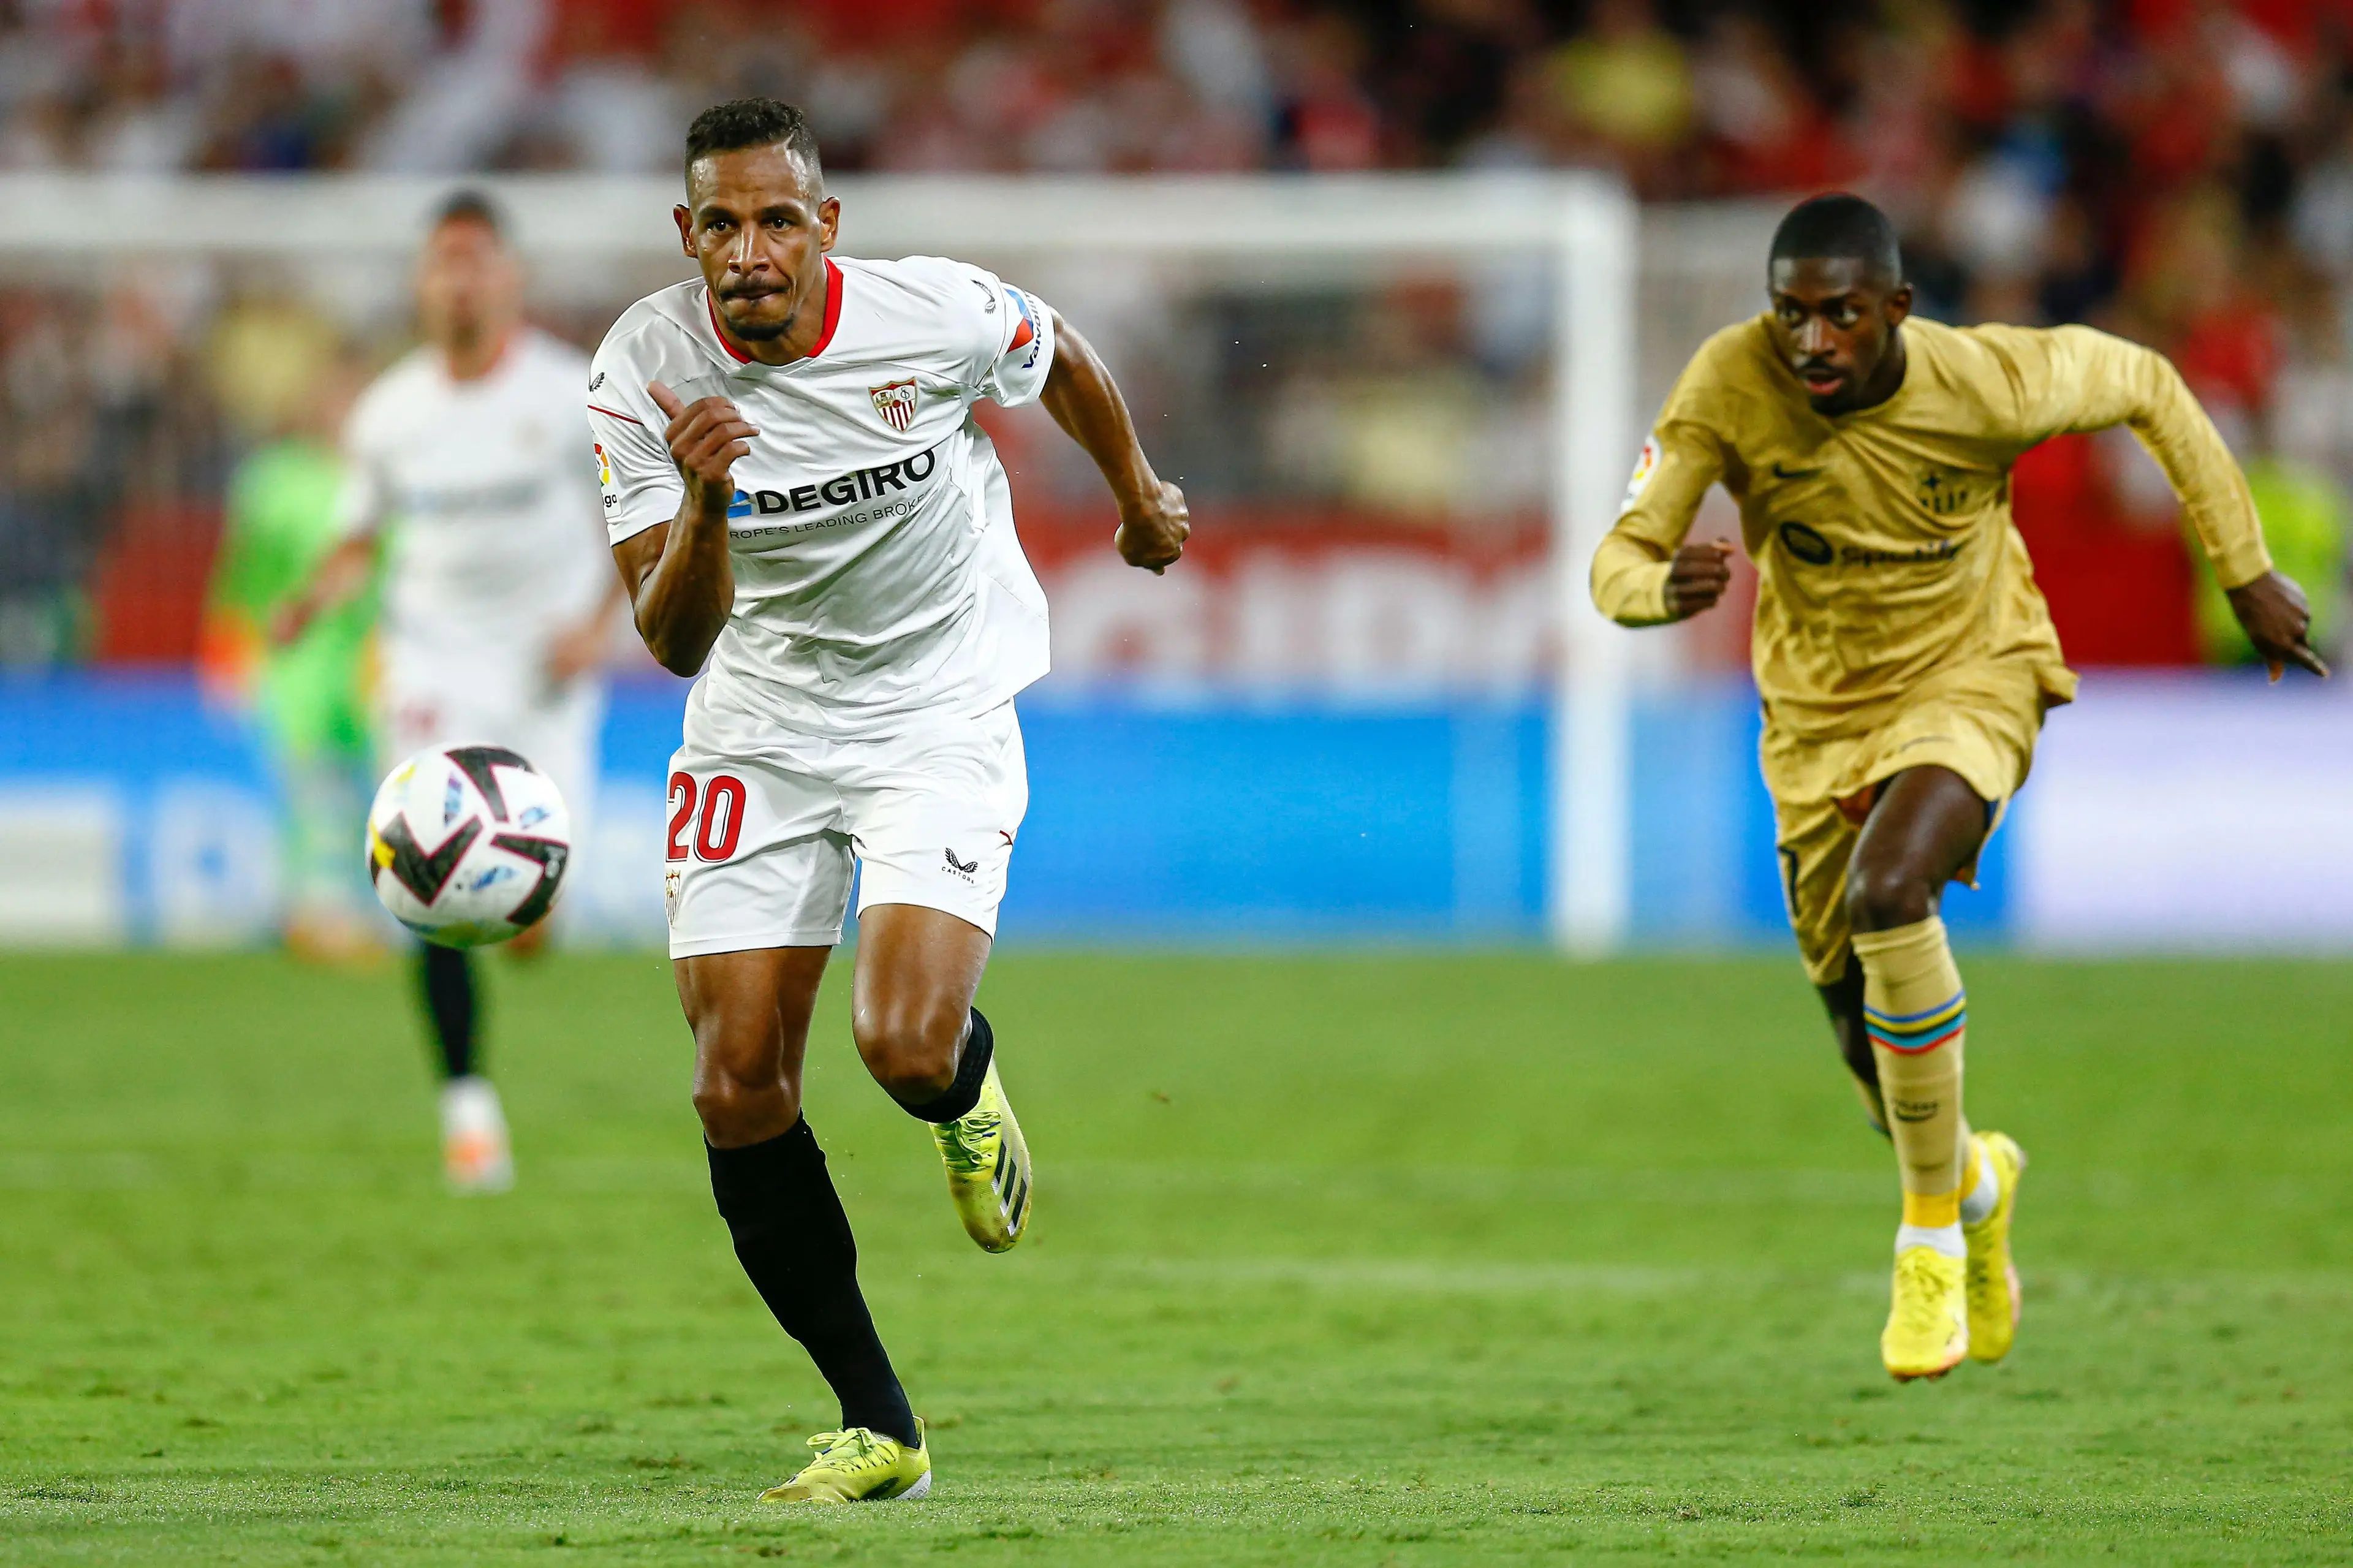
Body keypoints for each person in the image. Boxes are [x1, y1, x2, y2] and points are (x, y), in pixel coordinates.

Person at [1591, 193, 2323, 1383]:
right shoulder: (1728, 382)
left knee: (1894, 892)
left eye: (1839, 315)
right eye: (1792, 315)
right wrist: (1648, 590)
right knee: (1872, 1064)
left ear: (1896, 310)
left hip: (1972, 675)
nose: (1812, 341)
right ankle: (1977, 1185)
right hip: (1818, 721)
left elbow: (2148, 383)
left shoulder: (1987, 381)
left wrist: (2241, 567)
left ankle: (1926, 1239)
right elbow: (1617, 555)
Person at [588, 98, 1187, 1503]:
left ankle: (963, 1093)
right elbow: (673, 641)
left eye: (777, 219)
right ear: (687, 237)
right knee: (735, 1080)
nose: (750, 250)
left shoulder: (934, 315)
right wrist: (703, 504)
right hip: (759, 722)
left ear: (825, 227)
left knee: (902, 1043)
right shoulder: (641, 370)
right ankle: (880, 1424)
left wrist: (1137, 491)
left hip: (937, 705)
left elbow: (1062, 359)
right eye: (721, 225)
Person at [279, 191, 626, 1193]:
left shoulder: (569, 394)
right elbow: (359, 536)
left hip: (542, 675)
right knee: (427, 890)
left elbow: (634, 519)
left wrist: (594, 628)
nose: (460, 277)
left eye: (477, 258)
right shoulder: (391, 411)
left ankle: (519, 941)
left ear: (510, 278)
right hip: (430, 667)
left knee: (529, 928)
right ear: (421, 283)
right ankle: (467, 1107)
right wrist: (312, 599)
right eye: (444, 261)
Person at [203, 349, 382, 964]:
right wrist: (228, 649)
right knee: (308, 792)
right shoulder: (272, 480)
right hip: (296, 663)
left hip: (372, 663)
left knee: (372, 794)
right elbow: (242, 574)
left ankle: (368, 915)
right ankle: (309, 912)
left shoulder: (384, 478)